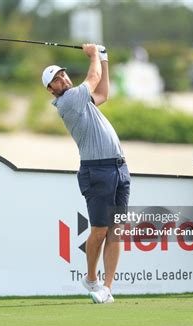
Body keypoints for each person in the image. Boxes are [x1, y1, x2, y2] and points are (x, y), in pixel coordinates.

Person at [41, 44, 130, 304]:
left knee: (116, 231)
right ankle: (91, 277)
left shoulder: (82, 100)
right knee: (100, 230)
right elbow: (93, 80)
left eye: (63, 74)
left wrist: (104, 58)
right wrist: (92, 55)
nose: (63, 79)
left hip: (118, 167)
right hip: (97, 170)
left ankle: (107, 288)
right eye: (56, 79)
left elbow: (102, 92)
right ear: (51, 89)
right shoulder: (67, 101)